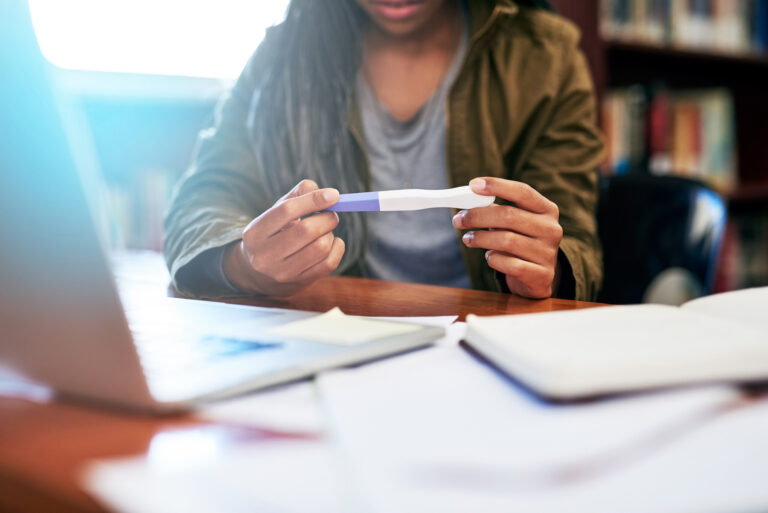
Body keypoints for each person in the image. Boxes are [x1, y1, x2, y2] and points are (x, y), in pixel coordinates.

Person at [164, 0, 604, 301]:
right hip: (330, 335)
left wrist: (550, 267)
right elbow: (202, 201)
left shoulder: (546, 59)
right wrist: (245, 265)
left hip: (487, 341)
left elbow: (577, 239)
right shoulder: (282, 56)